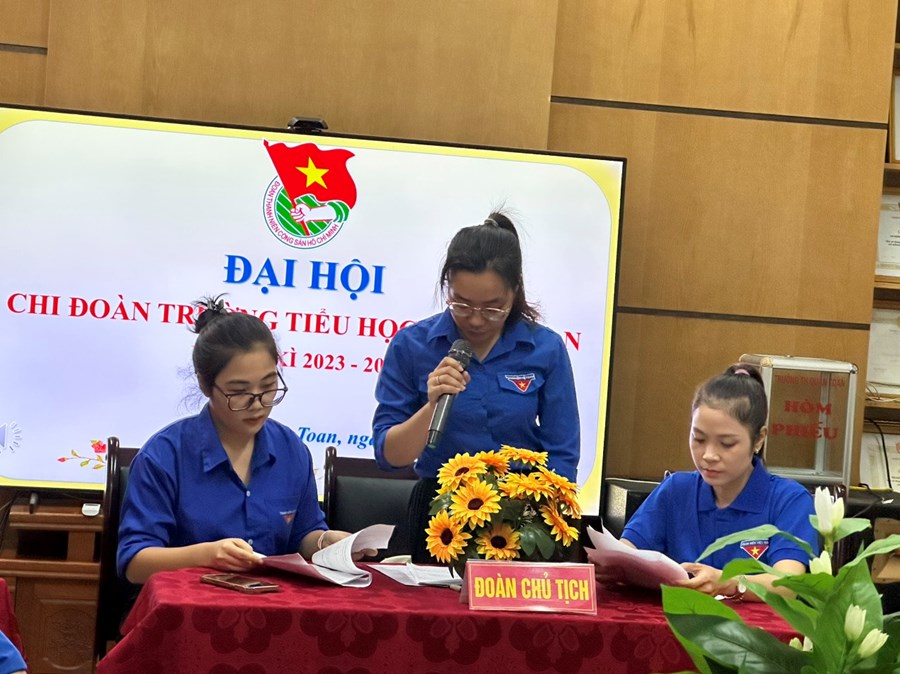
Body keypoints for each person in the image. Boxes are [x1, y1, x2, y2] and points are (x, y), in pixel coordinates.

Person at [372, 211, 580, 562]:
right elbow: (390, 456)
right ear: (447, 288)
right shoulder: (412, 345)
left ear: (515, 291)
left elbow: (562, 453)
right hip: (440, 514)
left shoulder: (546, 348)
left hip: (523, 513)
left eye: (493, 308)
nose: (476, 319)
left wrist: (540, 516)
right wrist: (433, 404)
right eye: (461, 304)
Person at [118, 296, 357, 584]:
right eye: (239, 392)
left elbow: (303, 534)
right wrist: (205, 555)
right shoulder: (164, 456)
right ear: (205, 384)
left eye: (268, 386)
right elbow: (134, 563)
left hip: (271, 602)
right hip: (188, 605)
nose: (257, 404)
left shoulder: (291, 449)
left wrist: (325, 542)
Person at [597, 364, 819, 600]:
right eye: (699, 439)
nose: (709, 455)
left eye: (727, 444)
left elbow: (788, 585)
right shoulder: (676, 490)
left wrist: (728, 583)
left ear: (759, 439)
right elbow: (627, 553)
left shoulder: (789, 500)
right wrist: (614, 566)